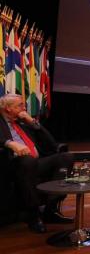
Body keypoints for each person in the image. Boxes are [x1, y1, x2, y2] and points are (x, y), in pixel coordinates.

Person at [0, 94, 74, 233]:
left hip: (34, 162)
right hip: (10, 164)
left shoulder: (23, 122)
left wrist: (34, 124)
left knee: (66, 157)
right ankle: (33, 215)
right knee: (27, 161)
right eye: (20, 105)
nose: (24, 107)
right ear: (8, 108)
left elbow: (51, 144)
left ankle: (50, 209)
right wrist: (9, 143)